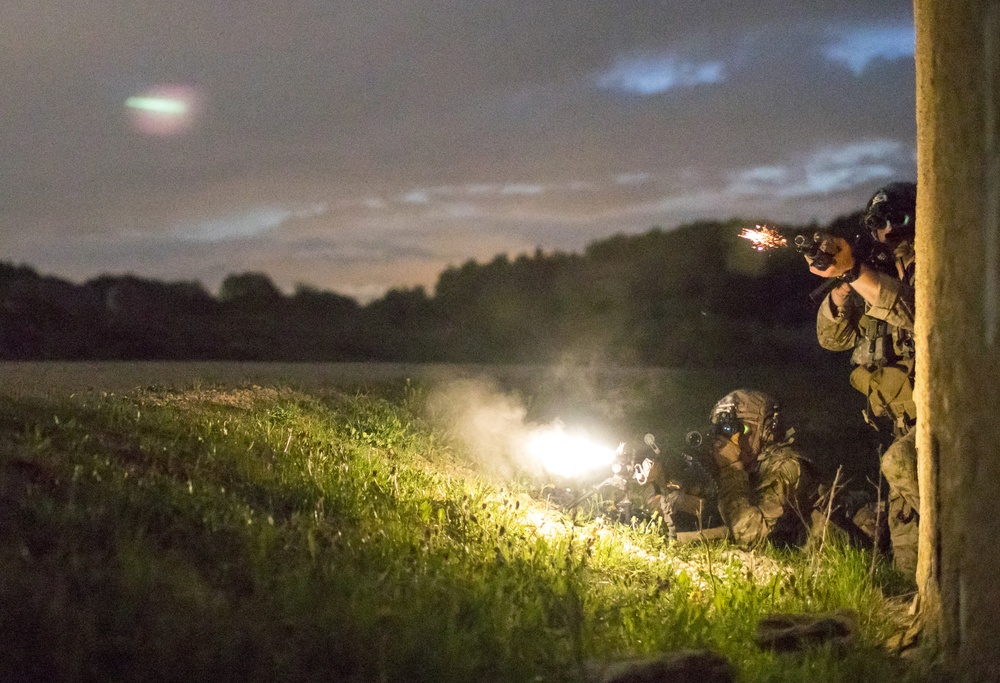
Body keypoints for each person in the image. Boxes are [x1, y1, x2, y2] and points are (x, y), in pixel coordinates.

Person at [804, 181, 918, 578]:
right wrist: (841, 289)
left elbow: (921, 313)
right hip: (900, 421)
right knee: (911, 560)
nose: (888, 230)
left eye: (898, 219)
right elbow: (833, 339)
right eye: (878, 223)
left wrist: (856, 270)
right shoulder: (874, 273)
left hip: (946, 416)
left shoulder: (933, 261)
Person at [648, 388, 826, 547]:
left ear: (766, 429)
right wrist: (666, 487)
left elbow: (752, 536)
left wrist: (730, 468)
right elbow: (720, 514)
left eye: (741, 429)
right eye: (724, 430)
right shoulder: (753, 465)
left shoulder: (786, 465)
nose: (732, 437)